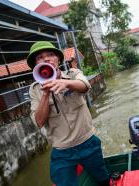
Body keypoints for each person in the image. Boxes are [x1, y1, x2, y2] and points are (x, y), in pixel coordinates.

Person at [27, 41, 110, 186]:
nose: (46, 59)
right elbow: (39, 122)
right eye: (40, 57)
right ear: (36, 65)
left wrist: (66, 83)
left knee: (102, 178)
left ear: (58, 59)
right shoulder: (35, 90)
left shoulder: (73, 74)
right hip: (62, 151)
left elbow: (85, 86)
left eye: (50, 55)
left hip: (87, 142)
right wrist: (45, 94)